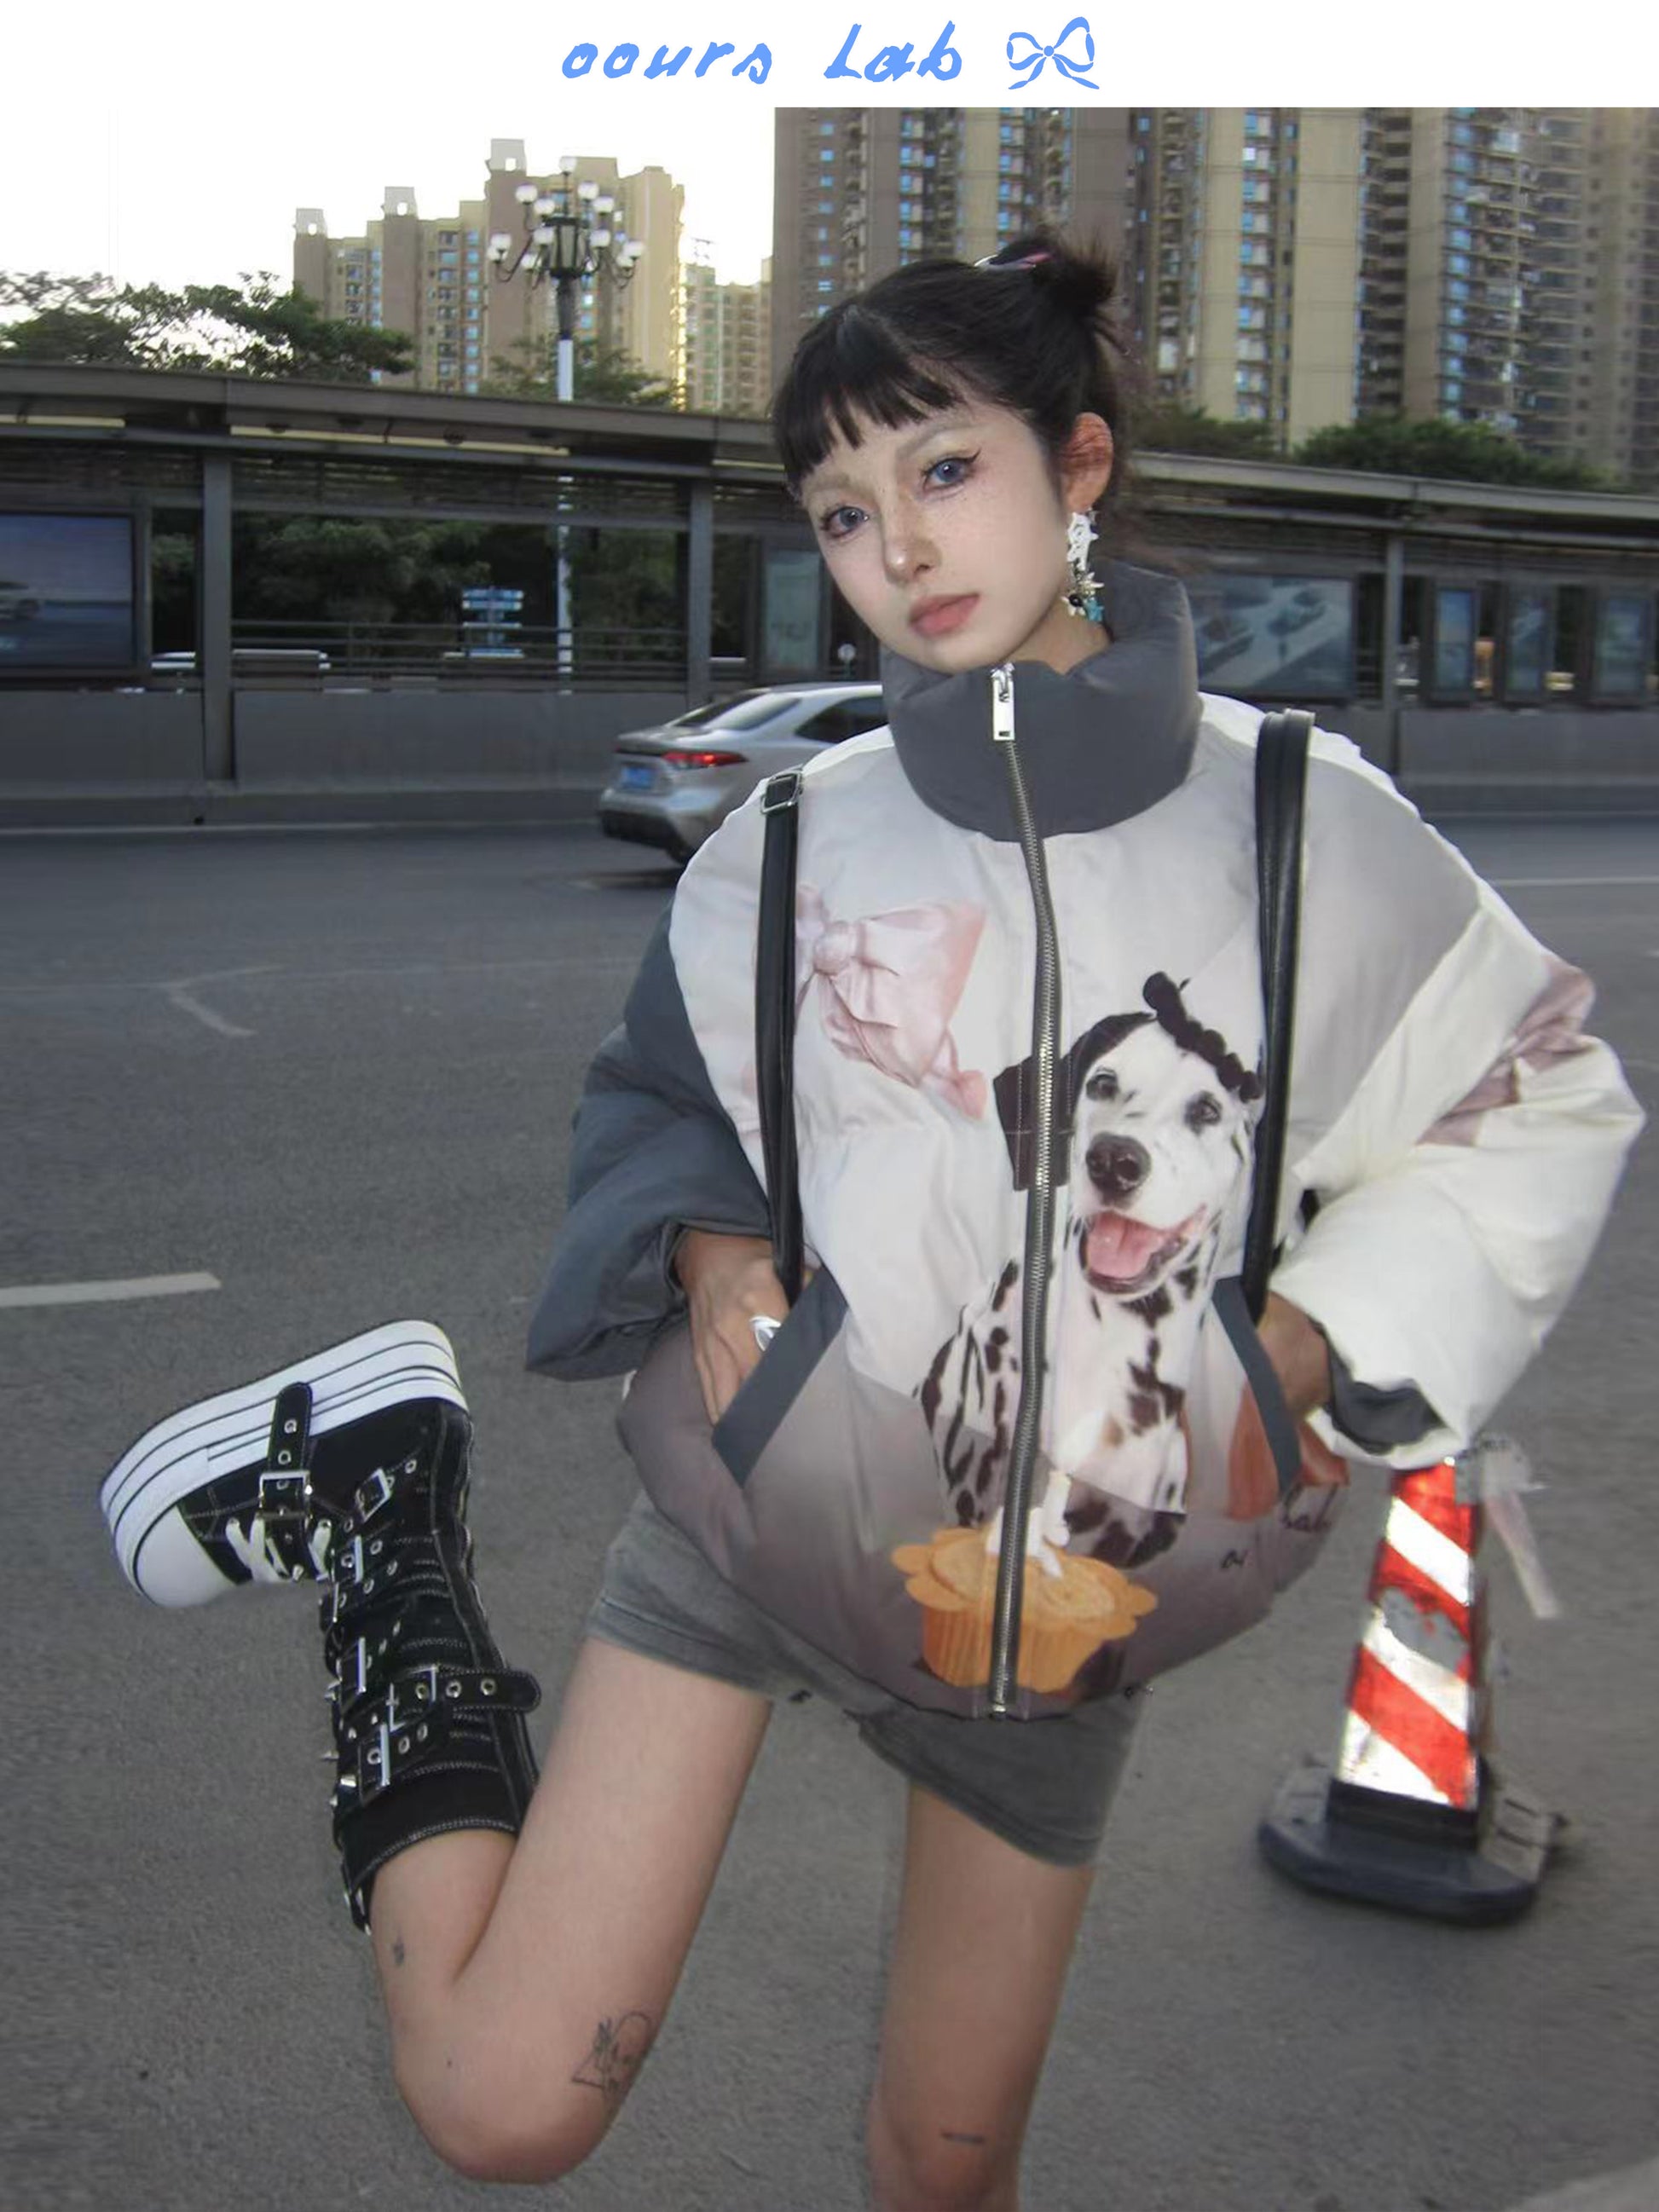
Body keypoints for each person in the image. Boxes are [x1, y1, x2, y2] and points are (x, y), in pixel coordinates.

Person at [101, 232, 1642, 2207]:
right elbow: (664, 1102)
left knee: (942, 2164)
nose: (896, 547)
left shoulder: (1296, 819)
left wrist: (1315, 1336)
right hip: (765, 1510)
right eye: (840, 508)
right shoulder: (789, 842)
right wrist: (711, 1251)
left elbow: (1537, 1082)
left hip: (1079, 1597)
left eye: (942, 468)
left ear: (1077, 464)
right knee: (502, 2101)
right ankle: (386, 1519)